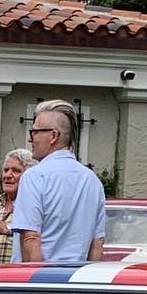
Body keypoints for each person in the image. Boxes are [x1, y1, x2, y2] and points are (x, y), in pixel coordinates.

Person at [10, 100, 105, 264]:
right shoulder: (92, 180)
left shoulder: (34, 177)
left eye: (35, 132)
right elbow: (96, 244)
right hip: (77, 282)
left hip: (41, 281)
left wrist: (36, 286)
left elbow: (30, 238)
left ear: (53, 135)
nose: (31, 139)